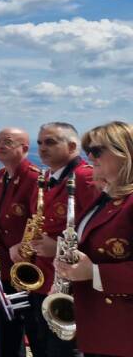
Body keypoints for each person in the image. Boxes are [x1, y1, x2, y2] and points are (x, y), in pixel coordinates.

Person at [54, 121, 133, 357]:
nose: (89, 155)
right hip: (97, 329)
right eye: (88, 149)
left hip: (122, 335)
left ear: (124, 153)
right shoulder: (105, 199)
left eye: (97, 150)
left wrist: (94, 273)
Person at [20, 123, 98, 356]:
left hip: (66, 285)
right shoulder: (47, 177)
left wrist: (57, 248)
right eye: (40, 143)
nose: (42, 148)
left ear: (72, 146)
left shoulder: (84, 178)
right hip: (43, 280)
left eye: (51, 142)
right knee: (40, 344)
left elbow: (97, 229)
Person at [0, 127, 39, 357]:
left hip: (28, 267)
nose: (0, 145)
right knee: (6, 320)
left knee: (25, 324)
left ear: (24, 148)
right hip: (7, 262)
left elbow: (41, 221)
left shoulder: (34, 178)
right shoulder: (0, 176)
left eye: (7, 141)